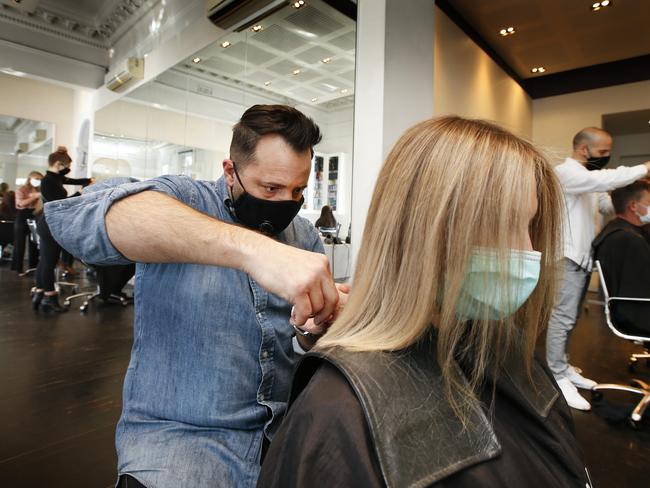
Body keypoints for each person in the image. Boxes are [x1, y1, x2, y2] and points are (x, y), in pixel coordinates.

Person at [258, 116, 592, 488]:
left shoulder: (506, 346)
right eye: (503, 225)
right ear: (426, 231)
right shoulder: (338, 414)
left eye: (527, 226)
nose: (529, 252)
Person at [44, 105, 344, 488]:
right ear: (230, 170)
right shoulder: (182, 200)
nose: (286, 201)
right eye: (270, 188)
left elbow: (300, 346)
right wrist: (254, 252)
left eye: (298, 190)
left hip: (283, 441)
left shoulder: (304, 236)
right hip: (181, 444)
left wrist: (314, 328)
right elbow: (77, 219)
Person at [546, 127, 650, 411]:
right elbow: (601, 179)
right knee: (562, 318)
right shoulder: (567, 173)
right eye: (603, 152)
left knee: (572, 316)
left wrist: (630, 199)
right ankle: (555, 375)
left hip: (581, 257)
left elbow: (606, 204)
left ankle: (562, 365)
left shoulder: (588, 183)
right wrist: (643, 167)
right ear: (584, 149)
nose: (606, 157)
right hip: (565, 256)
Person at [33, 147, 92, 313]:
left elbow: (71, 181)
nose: (67, 170)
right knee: (48, 262)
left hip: (50, 223)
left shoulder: (54, 178)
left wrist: (88, 180)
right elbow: (59, 203)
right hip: (50, 224)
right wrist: (79, 194)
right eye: (66, 166)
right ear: (58, 164)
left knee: (44, 261)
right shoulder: (47, 181)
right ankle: (49, 299)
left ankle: (40, 293)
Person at [592, 180, 650, 335]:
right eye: (649, 202)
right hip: (638, 313)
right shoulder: (629, 240)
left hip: (629, 310)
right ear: (633, 206)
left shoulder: (617, 231)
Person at [11, 171, 43, 274]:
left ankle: (33, 267)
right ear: (30, 179)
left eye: (39, 180)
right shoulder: (21, 189)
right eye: (36, 179)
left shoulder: (38, 190)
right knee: (19, 244)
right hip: (22, 216)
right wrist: (34, 197)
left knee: (34, 242)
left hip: (34, 215)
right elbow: (20, 204)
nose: (38, 182)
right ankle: (18, 268)